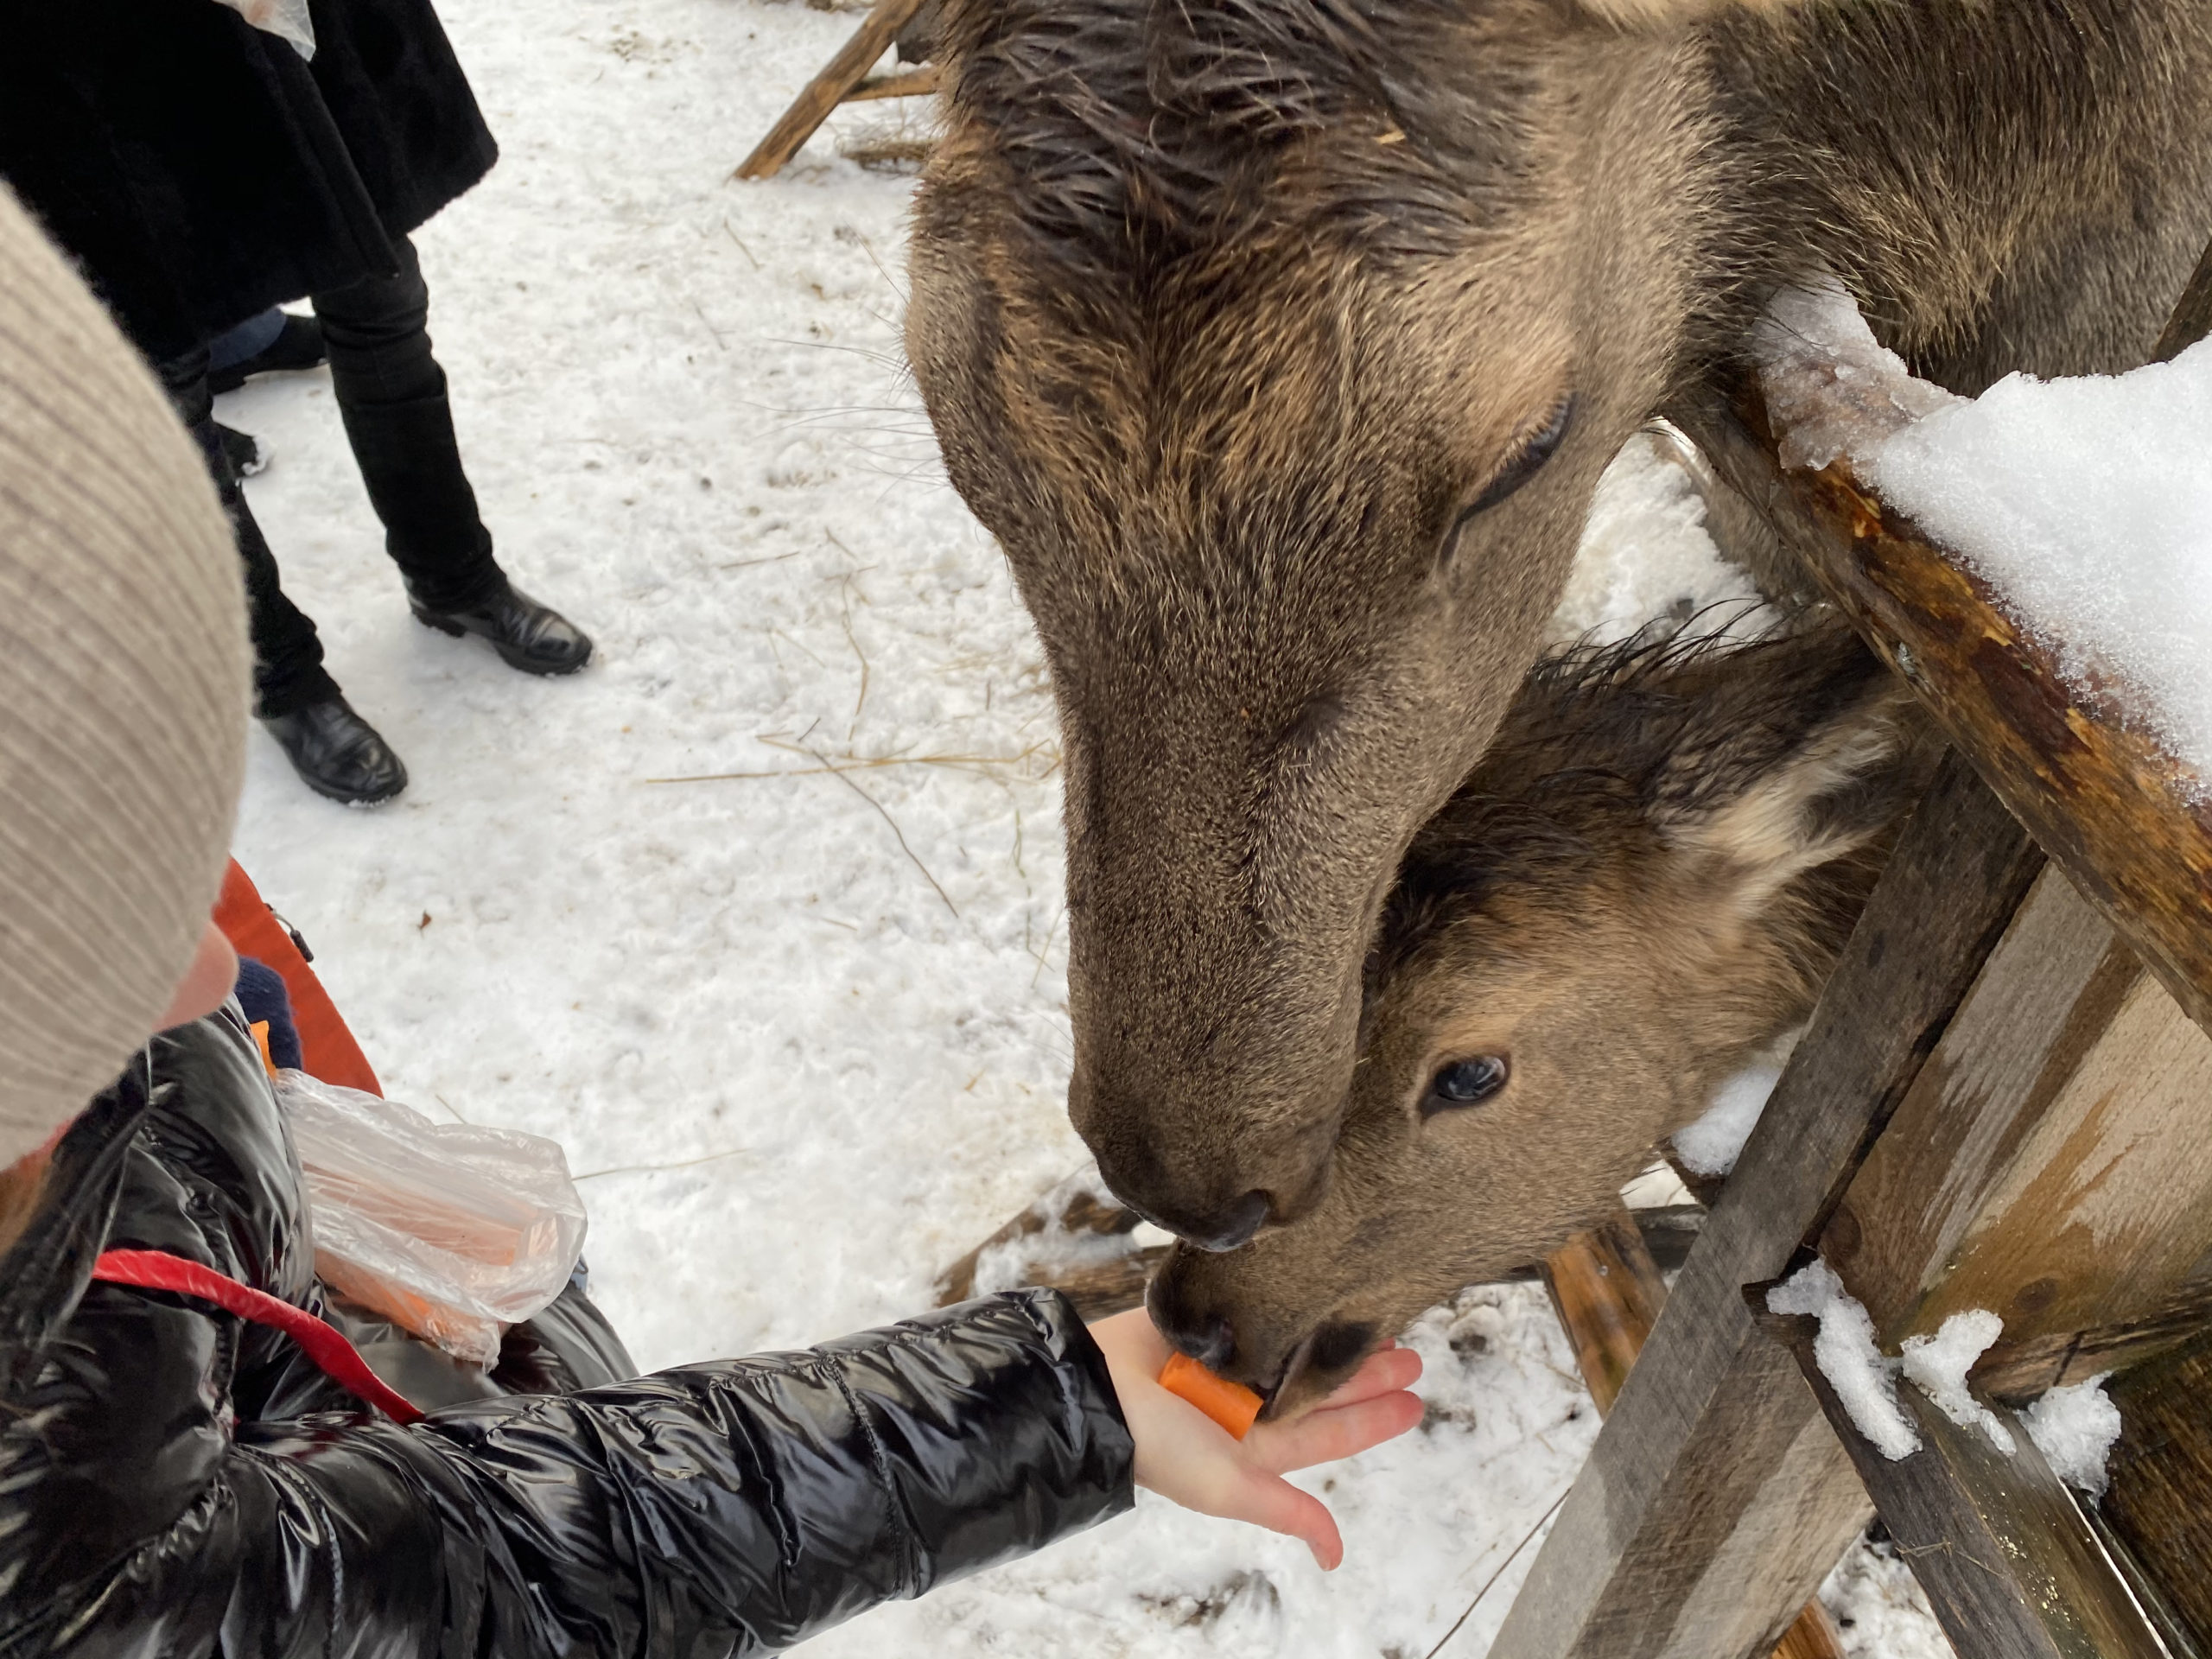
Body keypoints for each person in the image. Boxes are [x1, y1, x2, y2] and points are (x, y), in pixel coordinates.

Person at [0, 188, 1425, 1656]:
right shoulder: (51, 1588)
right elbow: (503, 1565)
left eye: (164, 844)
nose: (215, 968)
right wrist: (1043, 1416)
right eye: (65, 959)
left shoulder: (108, 1075)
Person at [0, 0, 594, 807]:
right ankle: (279, 677)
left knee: (381, 295)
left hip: (280, 49)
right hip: (71, 65)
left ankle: (453, 577)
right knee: (160, 377)